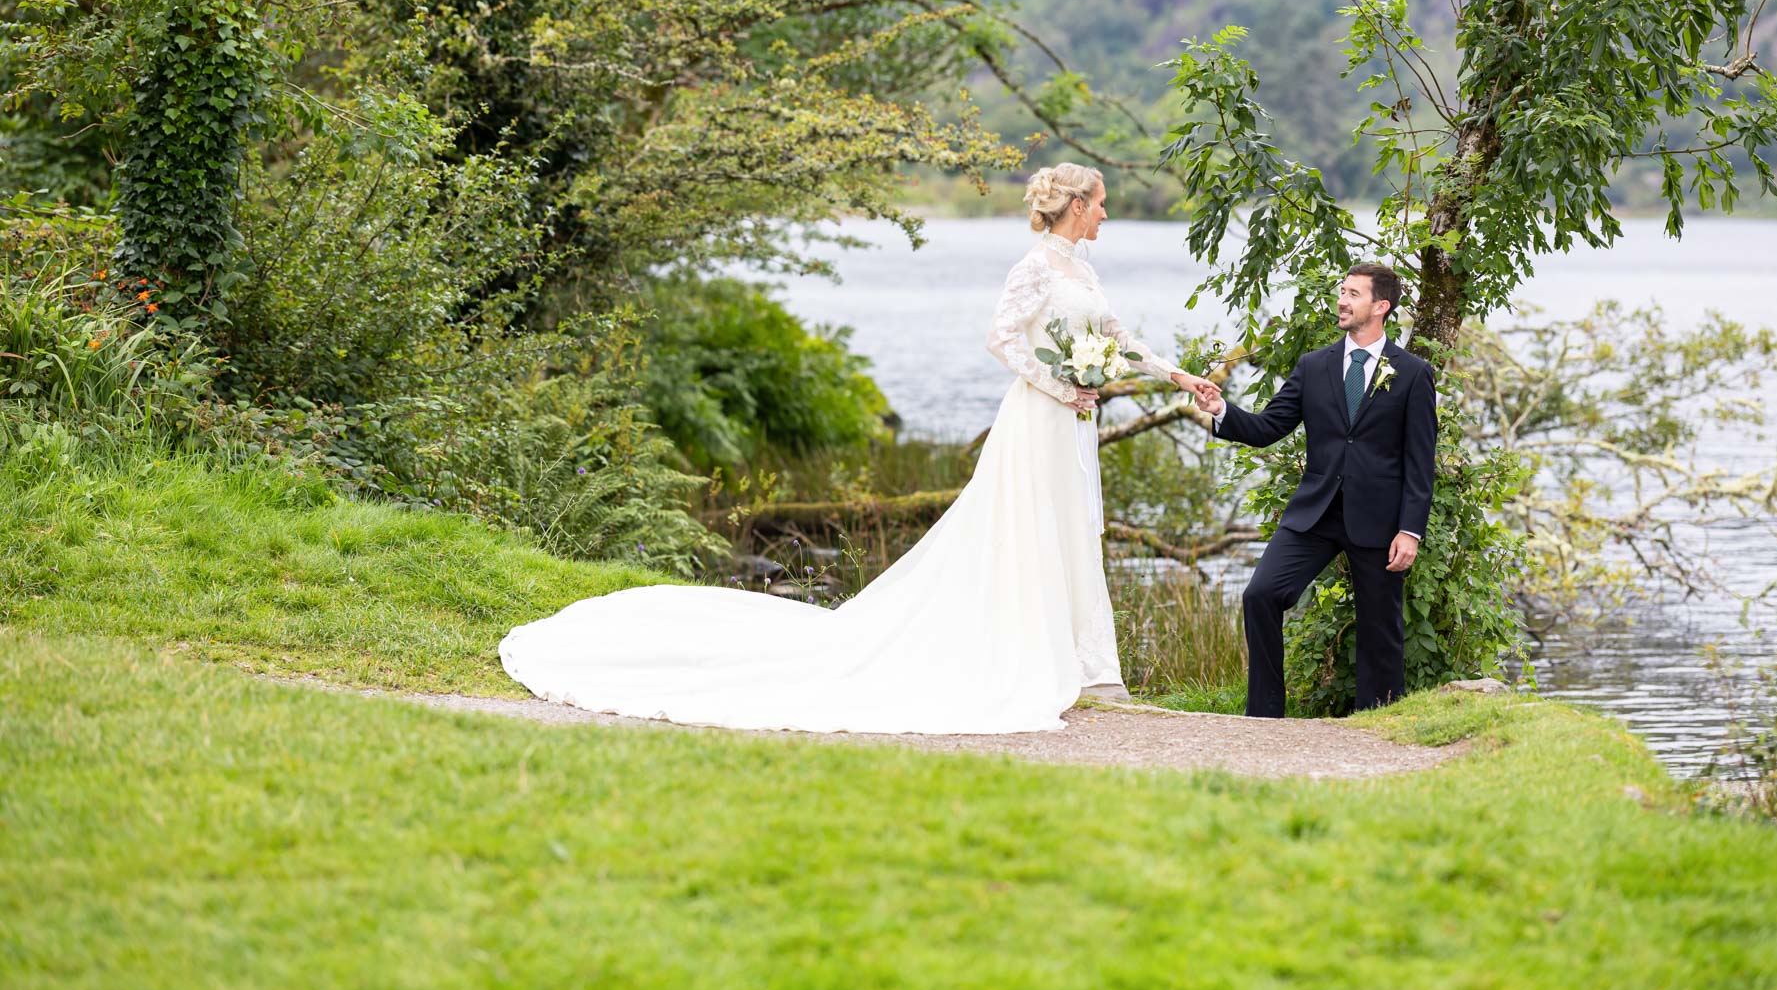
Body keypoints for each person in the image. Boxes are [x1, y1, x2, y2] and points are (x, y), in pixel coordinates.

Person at [498, 162, 1221, 734]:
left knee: (1069, 533)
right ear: (1074, 206)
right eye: (1099, 203)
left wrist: (1175, 374)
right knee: (1028, 533)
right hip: (1040, 417)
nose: (1106, 213)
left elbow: (1119, 339)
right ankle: (1035, 658)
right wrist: (1059, 387)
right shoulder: (1033, 266)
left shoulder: (1083, 271)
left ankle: (1086, 665)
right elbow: (1000, 339)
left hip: (1073, 423)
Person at [1195, 263, 1438, 716]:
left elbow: (1419, 461)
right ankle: (1265, 714)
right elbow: (1269, 427)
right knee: (1261, 595)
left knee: (1379, 628)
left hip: (1380, 521)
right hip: (1316, 513)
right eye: (1341, 290)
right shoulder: (1314, 366)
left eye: (1354, 293)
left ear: (1381, 306)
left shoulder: (1412, 374)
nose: (1342, 300)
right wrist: (1222, 409)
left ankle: (1378, 721)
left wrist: (1411, 529)